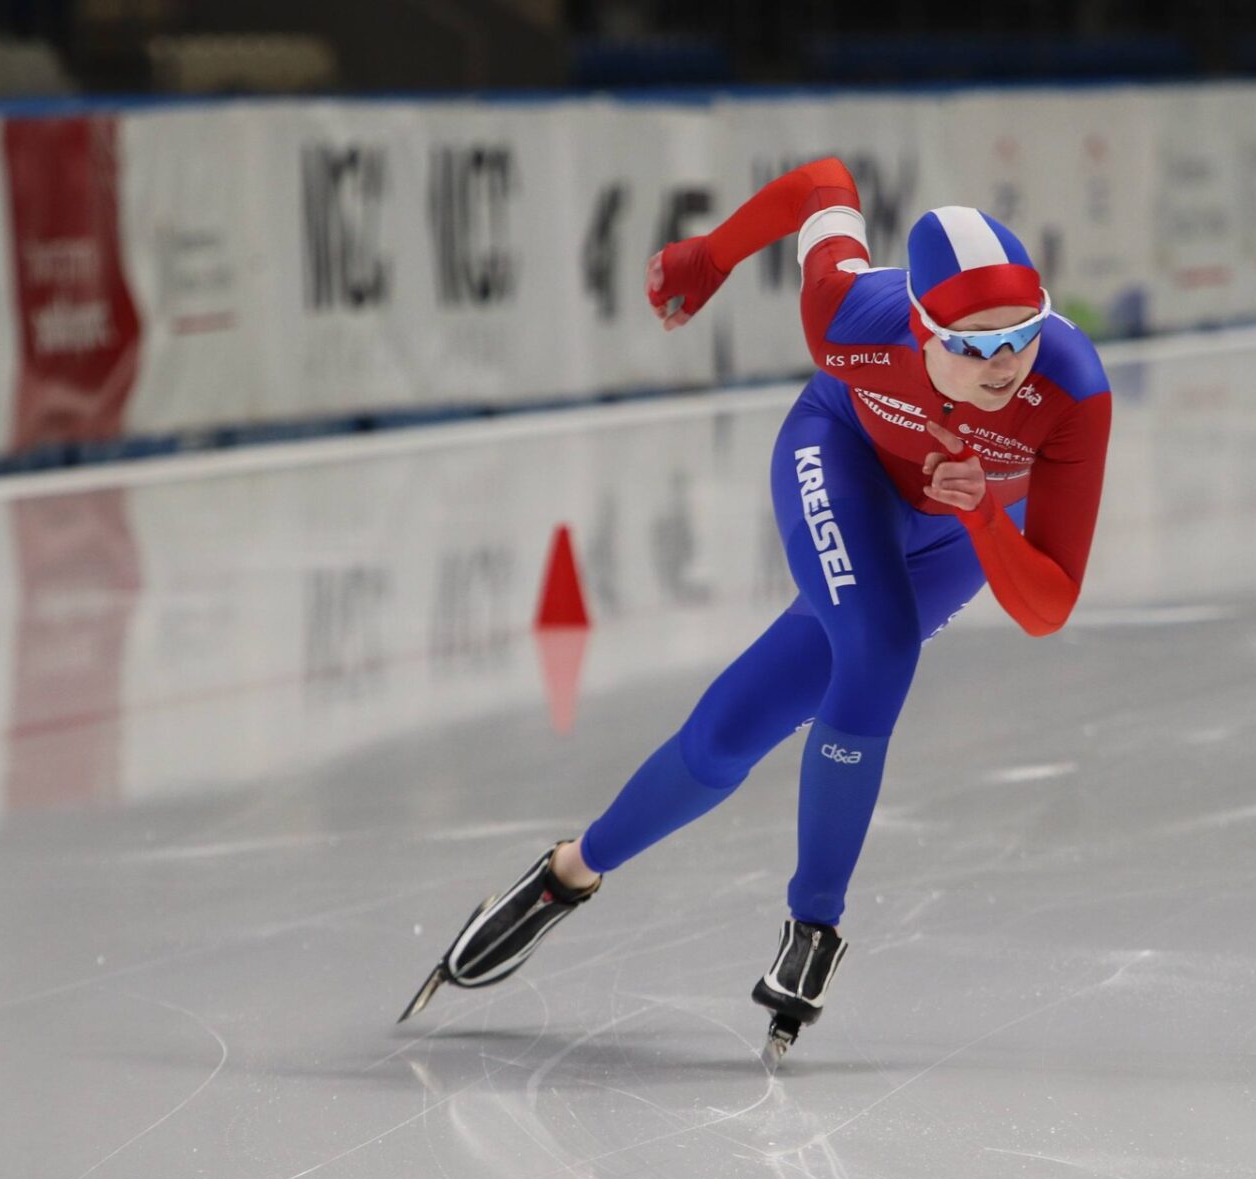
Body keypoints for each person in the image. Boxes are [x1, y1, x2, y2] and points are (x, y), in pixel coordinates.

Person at [402, 157, 1113, 1066]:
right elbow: (823, 185)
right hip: (842, 460)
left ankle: (571, 874)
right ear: (920, 328)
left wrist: (978, 511)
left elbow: (1047, 607)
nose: (1004, 365)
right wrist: (710, 255)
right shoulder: (851, 315)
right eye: (973, 347)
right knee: (878, 649)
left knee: (734, 732)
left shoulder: (1073, 389)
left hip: (959, 525)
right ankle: (804, 921)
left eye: (1020, 335)